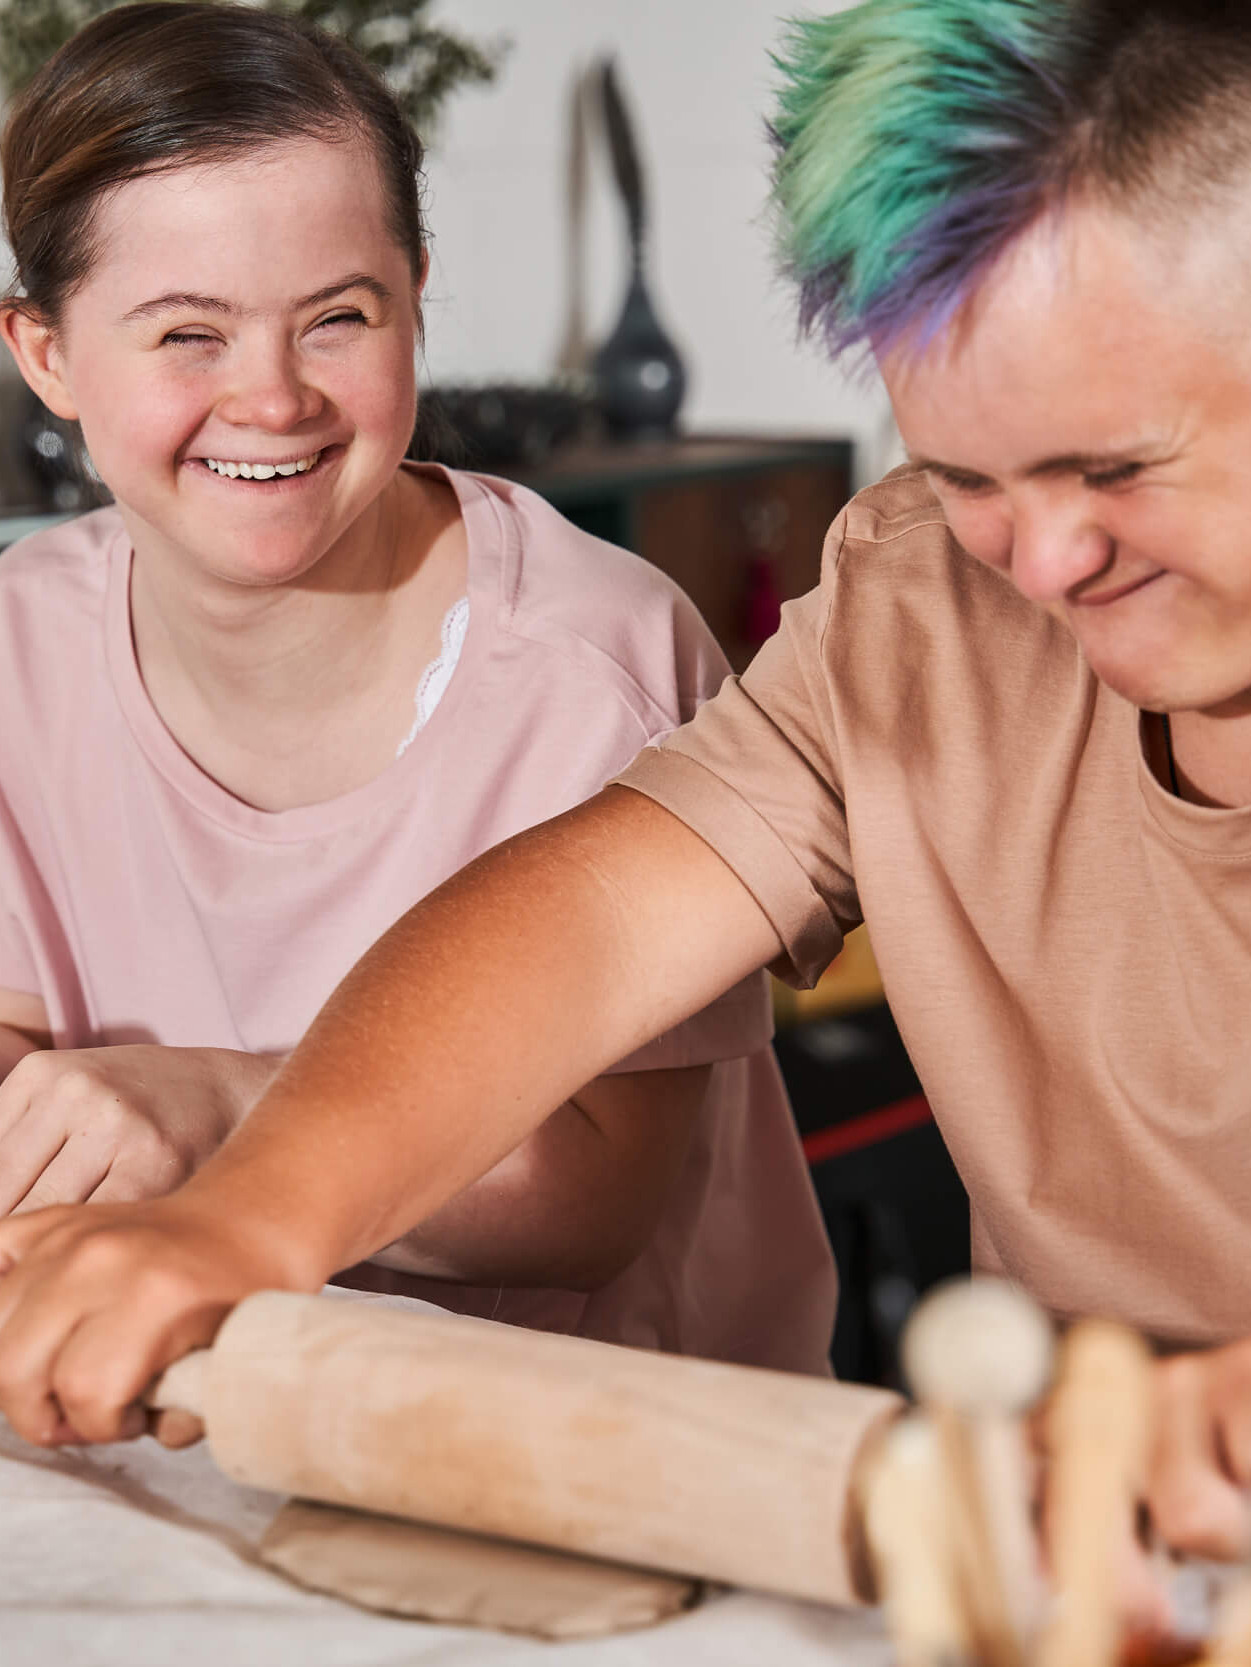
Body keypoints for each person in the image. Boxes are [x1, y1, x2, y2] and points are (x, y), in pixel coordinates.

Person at [0, 0, 1247, 1573]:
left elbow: (593, 1190)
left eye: (1119, 470)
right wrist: (247, 1219)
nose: (1051, 560)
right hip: (1081, 1557)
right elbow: (593, 912)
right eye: (975, 474)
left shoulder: (580, 641)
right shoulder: (923, 607)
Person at [0, 0, 839, 1407]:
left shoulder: (596, 660)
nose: (271, 399)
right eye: (185, 335)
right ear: (47, 356)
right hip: (210, 1421)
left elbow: (596, 1203)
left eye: (337, 319)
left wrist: (212, 1105)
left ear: (417, 303)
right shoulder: (20, 644)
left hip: (615, 1449)